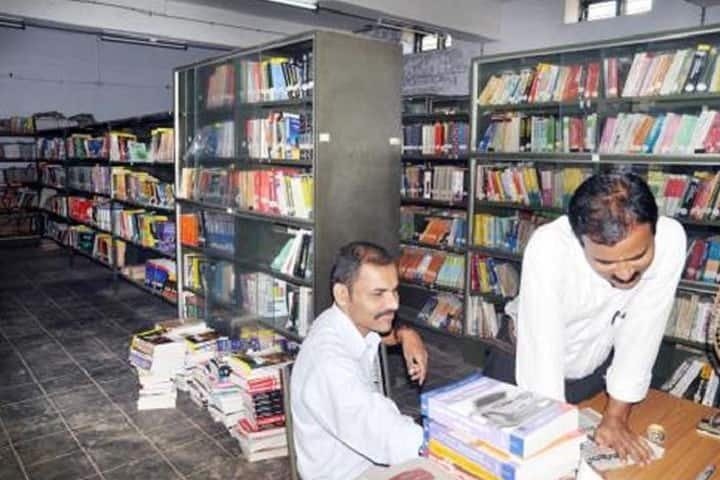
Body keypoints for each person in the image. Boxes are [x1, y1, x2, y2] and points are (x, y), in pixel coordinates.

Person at [484, 172, 686, 464]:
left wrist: (615, 417)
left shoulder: (670, 240)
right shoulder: (550, 248)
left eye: (638, 256)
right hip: (520, 366)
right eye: (605, 261)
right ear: (581, 242)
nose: (625, 273)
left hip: (591, 366)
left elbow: (643, 331)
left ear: (654, 230)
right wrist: (552, 445)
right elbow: (541, 358)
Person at [290, 241, 429, 480]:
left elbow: (382, 335)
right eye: (378, 294)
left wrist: (406, 334)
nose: (394, 304)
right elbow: (383, 432)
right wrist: (447, 448)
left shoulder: (341, 321)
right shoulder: (328, 362)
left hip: (365, 459)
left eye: (394, 291)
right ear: (342, 294)